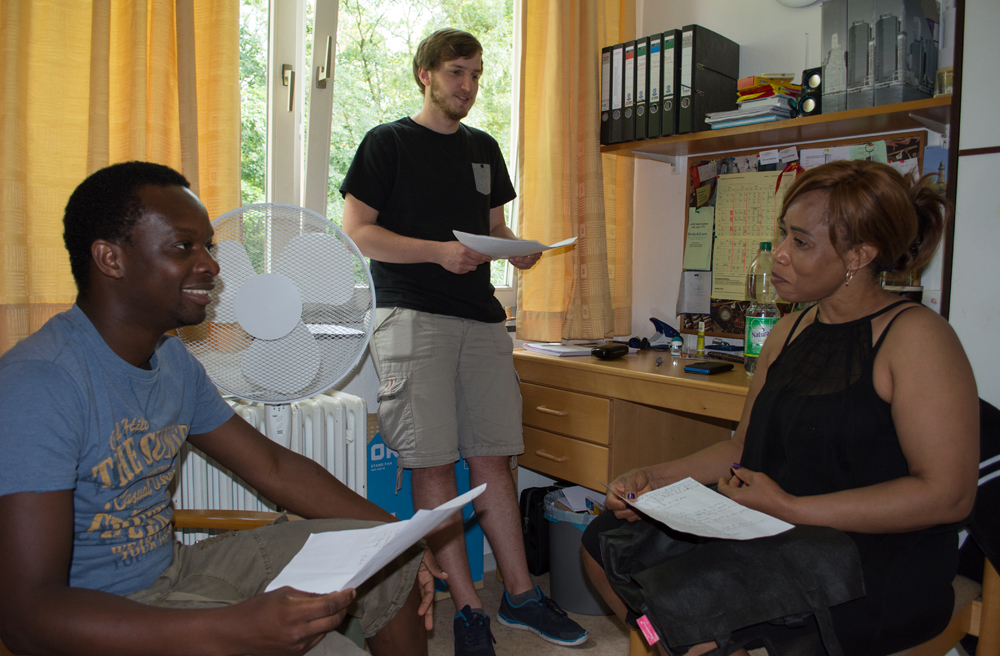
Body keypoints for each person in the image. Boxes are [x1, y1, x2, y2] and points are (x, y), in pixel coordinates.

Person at [0, 161, 447, 656]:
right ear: (110, 259)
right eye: (183, 247)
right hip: (106, 617)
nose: (212, 266)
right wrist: (230, 628)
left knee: (388, 556)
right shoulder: (39, 384)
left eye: (209, 247)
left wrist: (399, 536)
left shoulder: (173, 359)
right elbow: (26, 618)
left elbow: (274, 467)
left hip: (179, 571)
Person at [582, 160, 980, 656]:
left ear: (859, 255)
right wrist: (654, 478)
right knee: (603, 544)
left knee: (690, 608)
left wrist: (791, 508)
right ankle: (668, 644)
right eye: (784, 234)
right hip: (775, 526)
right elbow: (742, 448)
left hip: (872, 555)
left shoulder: (917, 337)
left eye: (802, 242)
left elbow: (948, 496)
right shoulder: (789, 330)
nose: (780, 254)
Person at [340, 27, 587, 656]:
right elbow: (358, 231)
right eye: (456, 72)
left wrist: (517, 251)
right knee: (432, 462)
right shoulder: (388, 142)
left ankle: (521, 596)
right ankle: (470, 609)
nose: (468, 86)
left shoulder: (483, 148)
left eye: (476, 74)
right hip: (412, 316)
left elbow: (494, 227)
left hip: (481, 320)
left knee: (493, 457)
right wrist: (438, 253)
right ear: (425, 74)